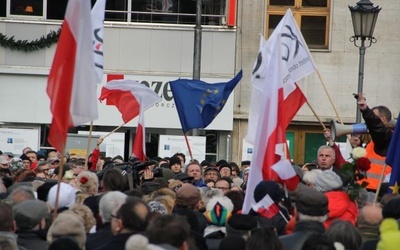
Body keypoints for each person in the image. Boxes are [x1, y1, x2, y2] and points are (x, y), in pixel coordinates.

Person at [357, 93, 393, 190]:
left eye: (374, 116)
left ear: (382, 119)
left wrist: (366, 111)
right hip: (365, 189)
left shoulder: (387, 137)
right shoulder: (374, 141)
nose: (369, 123)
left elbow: (377, 128)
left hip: (376, 191)